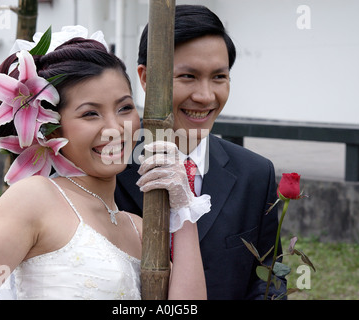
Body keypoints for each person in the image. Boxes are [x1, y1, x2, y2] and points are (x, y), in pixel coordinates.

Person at [0, 34, 208, 299]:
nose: (115, 128)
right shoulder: (36, 198)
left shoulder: (139, 228)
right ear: (50, 129)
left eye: (124, 108)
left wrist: (184, 211)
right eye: (90, 114)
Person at [115, 4, 287, 299]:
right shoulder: (108, 164)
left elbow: (269, 280)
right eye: (188, 77)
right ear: (145, 78)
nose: (206, 96)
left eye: (219, 77)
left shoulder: (256, 174)